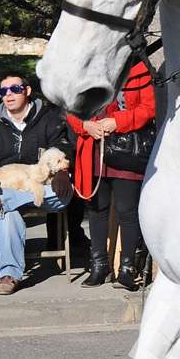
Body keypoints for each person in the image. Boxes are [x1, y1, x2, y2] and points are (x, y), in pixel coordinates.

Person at [0, 73, 73, 296]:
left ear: (27, 91)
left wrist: (62, 172)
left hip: (47, 190)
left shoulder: (49, 119)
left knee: (65, 192)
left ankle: (4, 201)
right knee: (7, 212)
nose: (8, 95)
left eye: (14, 89)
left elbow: (64, 146)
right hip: (14, 185)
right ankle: (8, 274)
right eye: (3, 91)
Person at [66, 60, 156, 290]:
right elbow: (71, 109)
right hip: (92, 150)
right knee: (97, 210)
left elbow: (149, 109)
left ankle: (127, 269)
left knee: (127, 211)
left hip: (126, 150)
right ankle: (99, 265)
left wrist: (118, 121)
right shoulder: (85, 69)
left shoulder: (138, 69)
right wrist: (84, 125)